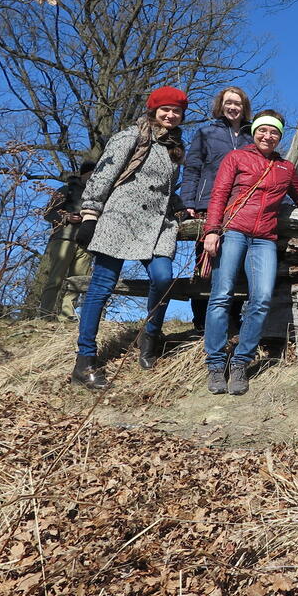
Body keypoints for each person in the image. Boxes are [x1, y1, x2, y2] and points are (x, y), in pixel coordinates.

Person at [201, 111, 298, 394]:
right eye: (263, 131)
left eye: (274, 133)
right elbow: (219, 194)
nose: (267, 136)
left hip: (264, 240)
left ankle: (240, 363)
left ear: (279, 137)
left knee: (260, 300)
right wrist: (211, 229)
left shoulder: (285, 168)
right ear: (254, 132)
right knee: (221, 296)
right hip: (233, 231)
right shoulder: (236, 158)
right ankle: (214, 363)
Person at [71, 87, 189, 390]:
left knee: (163, 278)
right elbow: (103, 174)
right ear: (153, 109)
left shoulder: (174, 146)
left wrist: (177, 205)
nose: (170, 115)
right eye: (165, 109)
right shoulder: (130, 136)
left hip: (158, 225)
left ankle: (150, 336)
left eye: (176, 111)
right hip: (120, 217)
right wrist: (89, 213)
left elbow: (164, 188)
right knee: (102, 286)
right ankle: (84, 360)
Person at [180, 86, 253, 334]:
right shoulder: (206, 133)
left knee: (237, 263)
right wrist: (188, 201)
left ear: (244, 108)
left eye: (238, 103)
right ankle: (201, 321)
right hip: (207, 204)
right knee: (206, 262)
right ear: (220, 106)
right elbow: (192, 168)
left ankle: (233, 319)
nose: (233, 108)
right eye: (228, 103)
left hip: (240, 206)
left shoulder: (251, 137)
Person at [30, 160, 95, 321]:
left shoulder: (97, 195)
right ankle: (45, 314)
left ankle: (67, 315)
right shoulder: (66, 190)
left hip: (86, 243)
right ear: (84, 174)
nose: (94, 178)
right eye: (91, 174)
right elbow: (48, 213)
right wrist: (66, 217)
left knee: (78, 281)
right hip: (64, 238)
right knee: (56, 279)